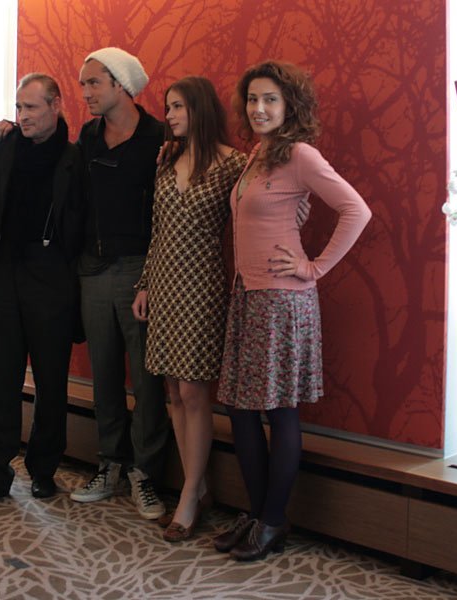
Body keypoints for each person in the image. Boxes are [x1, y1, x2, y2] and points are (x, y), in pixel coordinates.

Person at [212, 61, 371, 561]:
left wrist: (313, 267)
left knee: (279, 410)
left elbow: (357, 210)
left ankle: (273, 520)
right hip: (247, 295)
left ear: (289, 106)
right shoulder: (258, 155)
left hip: (282, 300)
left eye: (270, 100)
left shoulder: (300, 154)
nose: (259, 108)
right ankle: (257, 514)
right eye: (252, 99)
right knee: (240, 409)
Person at [0, 73, 84, 509]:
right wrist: (4, 129)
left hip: (51, 277)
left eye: (31, 107)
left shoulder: (75, 158)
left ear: (56, 105)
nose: (23, 115)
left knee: (51, 382)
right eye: (18, 107)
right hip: (1, 275)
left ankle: (44, 470)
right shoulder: (2, 149)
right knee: (0, 380)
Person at [131, 77, 246, 541]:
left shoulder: (233, 163)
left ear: (199, 109)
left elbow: (257, 215)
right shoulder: (166, 161)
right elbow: (157, 230)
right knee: (173, 394)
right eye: (168, 107)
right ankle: (196, 487)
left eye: (178, 106)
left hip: (202, 287)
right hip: (163, 286)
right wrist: (144, 284)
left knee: (195, 392)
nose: (170, 115)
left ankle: (189, 495)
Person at [69, 48, 170, 520]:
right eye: (83, 84)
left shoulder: (159, 137)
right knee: (104, 372)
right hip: (92, 268)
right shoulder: (88, 137)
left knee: (147, 378)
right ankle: (110, 463)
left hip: (140, 271)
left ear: (121, 85)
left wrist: (153, 274)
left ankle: (145, 473)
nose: (85, 93)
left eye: (93, 82)